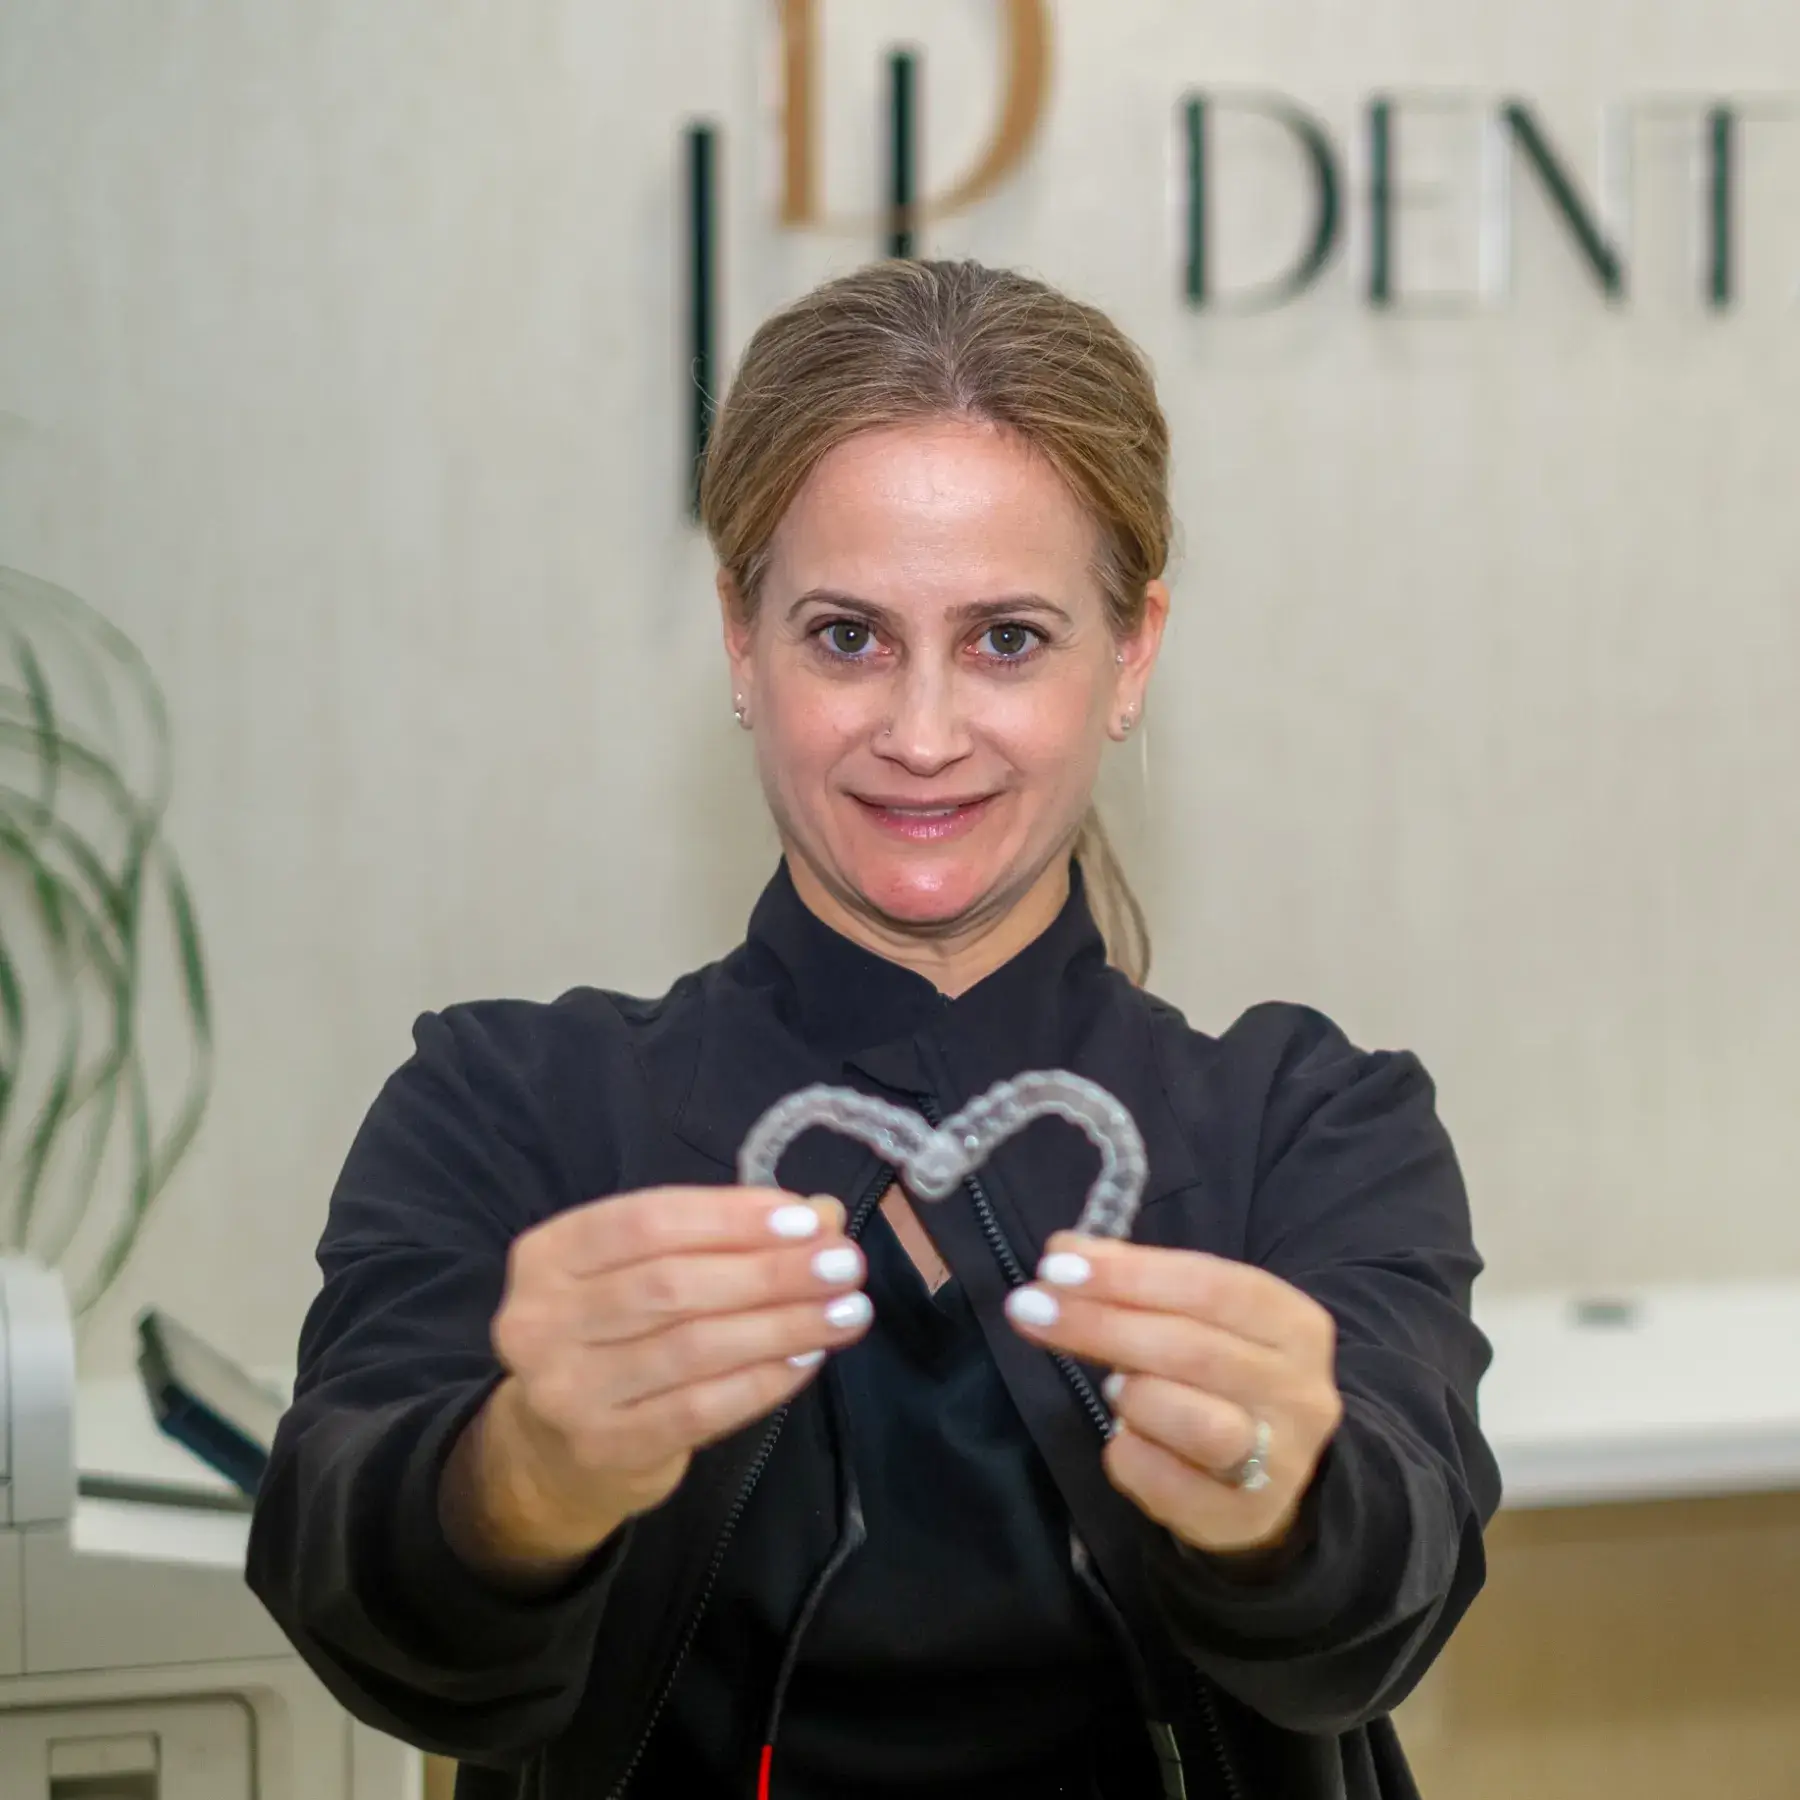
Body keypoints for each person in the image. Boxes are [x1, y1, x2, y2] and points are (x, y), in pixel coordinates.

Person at [246, 258, 1501, 1800]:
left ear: (1135, 652)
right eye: (847, 636)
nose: (920, 733)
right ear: (739, 641)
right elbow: (353, 1604)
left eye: (1007, 639)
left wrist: (1283, 1497)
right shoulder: (513, 1110)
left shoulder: (1311, 1125)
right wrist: (521, 1476)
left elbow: (1388, 1610)